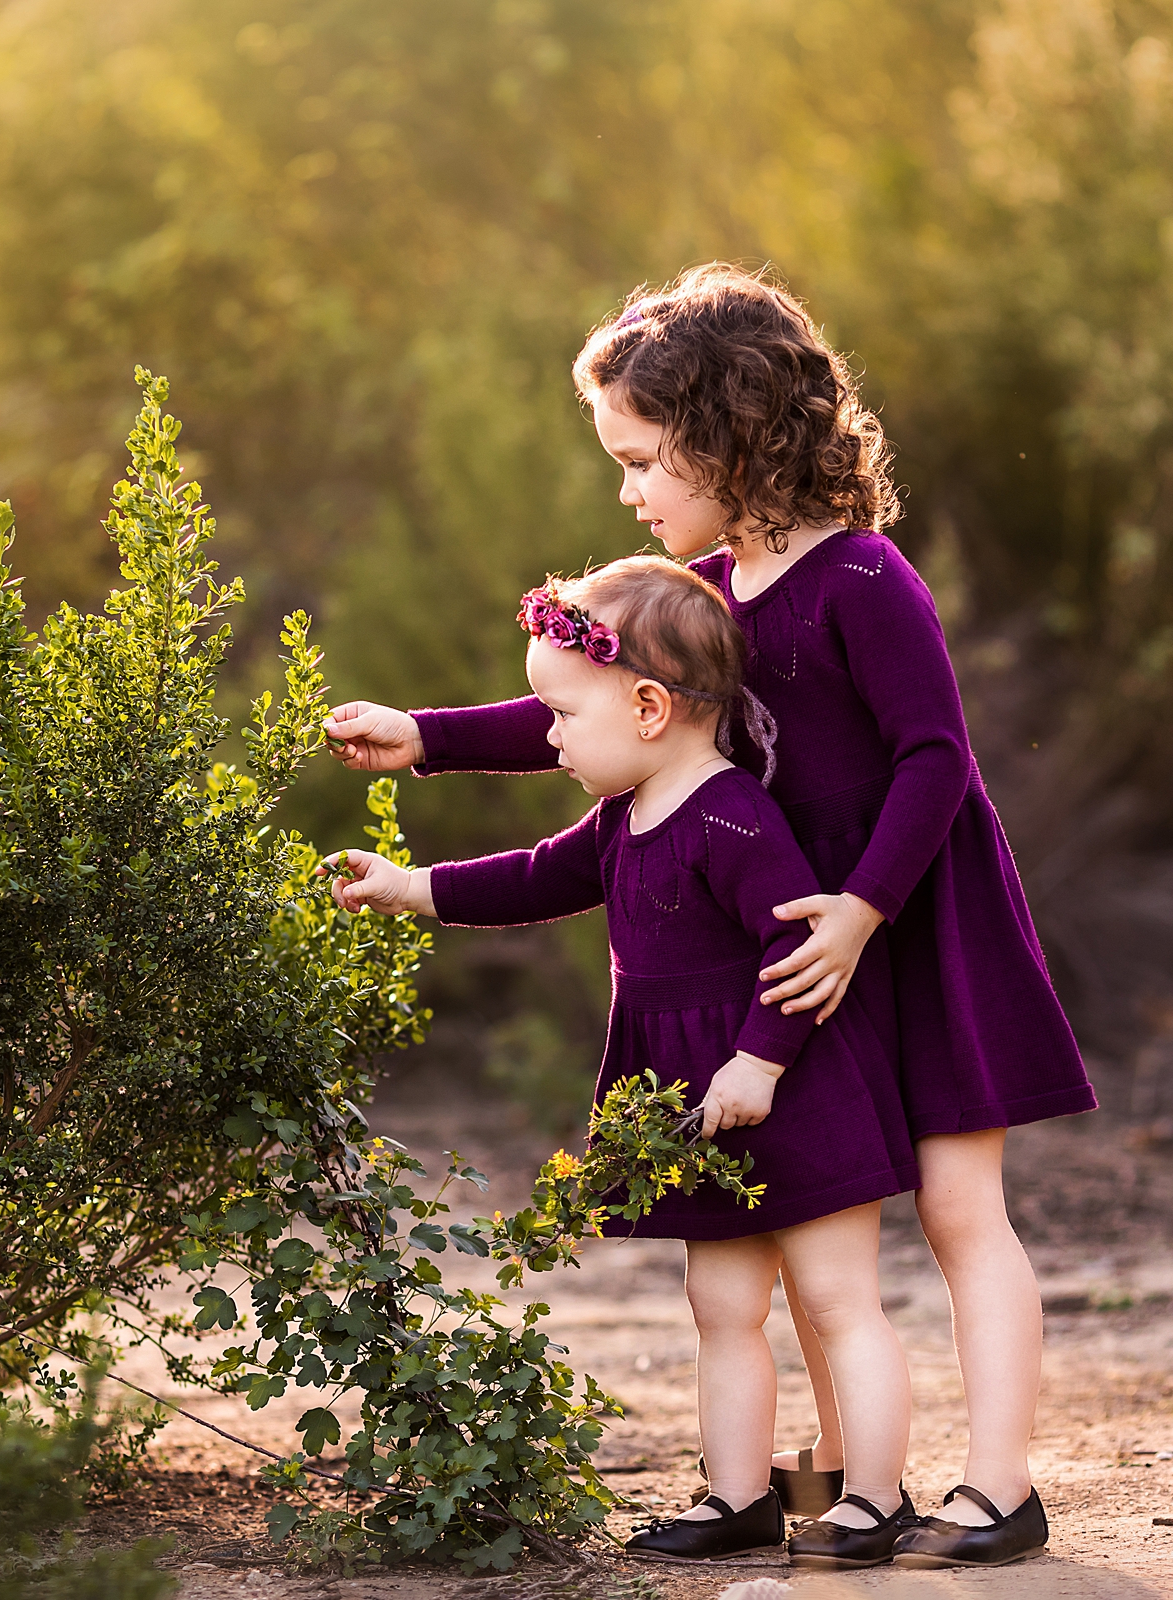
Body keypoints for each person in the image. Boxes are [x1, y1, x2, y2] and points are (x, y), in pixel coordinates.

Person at [325, 264, 1093, 1570]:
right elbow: (592, 709)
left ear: (728, 439)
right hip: (789, 935)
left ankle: (1001, 1487)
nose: (626, 490)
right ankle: (841, 1485)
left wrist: (861, 911)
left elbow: (935, 759)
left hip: (910, 912)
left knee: (962, 1211)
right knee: (812, 1225)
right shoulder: (703, 601)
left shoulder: (863, 577)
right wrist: (426, 740)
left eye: (641, 460)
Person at [331, 555, 921, 1564]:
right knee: (720, 1305)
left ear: (649, 707)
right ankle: (738, 1497)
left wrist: (761, 1062)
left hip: (794, 1089)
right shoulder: (621, 818)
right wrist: (415, 885)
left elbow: (793, 949)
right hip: (697, 1112)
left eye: (561, 714)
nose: (549, 735)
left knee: (837, 1300)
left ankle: (875, 1497)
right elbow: (533, 877)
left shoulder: (736, 817)